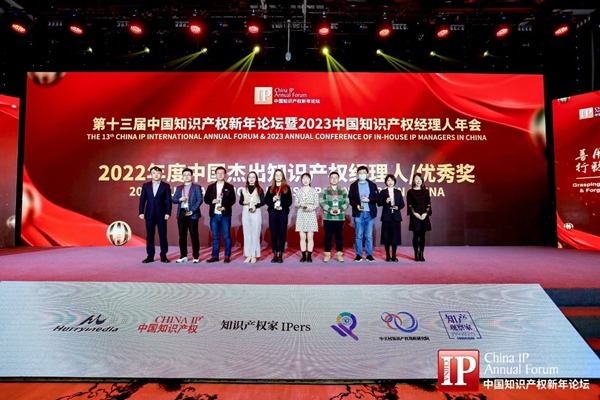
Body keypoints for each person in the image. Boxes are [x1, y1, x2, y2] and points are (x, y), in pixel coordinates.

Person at [139, 166, 172, 263]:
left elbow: (169, 201)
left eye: (158, 173)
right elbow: (142, 200)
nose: (156, 175)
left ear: (161, 174)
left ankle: (163, 256)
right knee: (150, 236)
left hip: (161, 214)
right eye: (154, 173)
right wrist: (141, 212)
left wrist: (168, 212)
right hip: (149, 214)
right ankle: (150, 256)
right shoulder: (146, 185)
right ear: (151, 174)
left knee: (163, 235)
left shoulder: (165, 186)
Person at [204, 166, 236, 263]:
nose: (220, 175)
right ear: (215, 174)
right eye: (218, 173)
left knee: (226, 236)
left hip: (225, 215)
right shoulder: (211, 187)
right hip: (214, 215)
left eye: (222, 173)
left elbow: (233, 200)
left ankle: (227, 256)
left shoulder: (229, 187)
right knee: (215, 236)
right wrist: (212, 201)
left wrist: (225, 207)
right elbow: (206, 199)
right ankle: (215, 256)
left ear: (225, 175)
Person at [172, 168, 203, 263]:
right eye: (184, 175)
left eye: (188, 175)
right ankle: (183, 256)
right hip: (181, 213)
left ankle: (195, 256)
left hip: (192, 213)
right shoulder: (179, 188)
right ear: (182, 176)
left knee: (194, 235)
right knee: (182, 235)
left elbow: (200, 200)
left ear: (192, 176)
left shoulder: (196, 187)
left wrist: (193, 210)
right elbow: (173, 199)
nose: (186, 177)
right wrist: (179, 199)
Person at [349, 165, 379, 262]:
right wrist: (357, 205)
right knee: (358, 235)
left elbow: (377, 197)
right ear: (357, 174)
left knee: (369, 235)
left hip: (369, 213)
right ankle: (358, 255)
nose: (362, 174)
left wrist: (369, 199)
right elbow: (351, 199)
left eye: (364, 173)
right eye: (360, 173)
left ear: (367, 174)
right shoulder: (353, 186)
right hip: (358, 213)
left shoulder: (372, 185)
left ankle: (369, 255)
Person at [319, 171, 349, 262]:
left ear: (339, 179)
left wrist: (340, 209)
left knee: (339, 236)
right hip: (328, 217)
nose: (334, 179)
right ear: (329, 179)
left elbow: (347, 202)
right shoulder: (325, 190)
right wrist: (329, 209)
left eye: (336, 177)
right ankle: (327, 254)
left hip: (340, 217)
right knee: (328, 236)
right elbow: (321, 201)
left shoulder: (342, 190)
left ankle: (339, 254)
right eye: (332, 177)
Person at [265, 168, 293, 263]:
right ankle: (275, 254)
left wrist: (282, 206)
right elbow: (266, 201)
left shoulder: (287, 188)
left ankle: (280, 254)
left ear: (283, 177)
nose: (278, 177)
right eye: (276, 175)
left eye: (280, 175)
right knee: (273, 233)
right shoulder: (270, 188)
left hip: (282, 212)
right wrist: (272, 200)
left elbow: (289, 201)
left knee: (282, 233)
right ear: (274, 177)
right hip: (273, 212)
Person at [378, 174, 405, 262]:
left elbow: (402, 204)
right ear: (386, 182)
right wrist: (385, 201)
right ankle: (387, 255)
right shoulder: (383, 192)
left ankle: (394, 255)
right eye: (388, 180)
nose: (390, 182)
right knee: (386, 237)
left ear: (394, 182)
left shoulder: (398, 192)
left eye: (392, 180)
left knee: (395, 237)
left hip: (396, 217)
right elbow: (379, 203)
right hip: (386, 217)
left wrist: (397, 207)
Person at [239, 171, 265, 263]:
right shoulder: (243, 190)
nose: (251, 179)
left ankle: (254, 255)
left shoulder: (260, 190)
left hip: (255, 212)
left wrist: (255, 206)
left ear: (256, 179)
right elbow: (240, 201)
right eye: (250, 177)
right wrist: (243, 202)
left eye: (253, 177)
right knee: (247, 234)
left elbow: (263, 201)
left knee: (255, 233)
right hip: (246, 211)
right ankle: (248, 255)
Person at [294, 173, 319, 263]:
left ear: (310, 180)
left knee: (310, 236)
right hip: (301, 214)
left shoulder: (314, 191)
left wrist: (310, 208)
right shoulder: (299, 191)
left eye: (307, 178)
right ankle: (303, 256)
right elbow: (295, 203)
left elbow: (316, 203)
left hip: (311, 214)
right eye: (303, 178)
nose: (305, 180)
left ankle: (310, 256)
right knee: (302, 236)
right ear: (301, 180)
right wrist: (300, 204)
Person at [407, 173, 432, 262]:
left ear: (422, 180)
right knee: (416, 235)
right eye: (416, 179)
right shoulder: (410, 192)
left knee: (422, 236)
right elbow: (410, 205)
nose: (418, 181)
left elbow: (428, 204)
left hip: (424, 216)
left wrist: (425, 213)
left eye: (420, 179)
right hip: (415, 216)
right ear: (413, 180)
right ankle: (416, 254)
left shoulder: (426, 191)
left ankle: (421, 253)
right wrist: (415, 214)